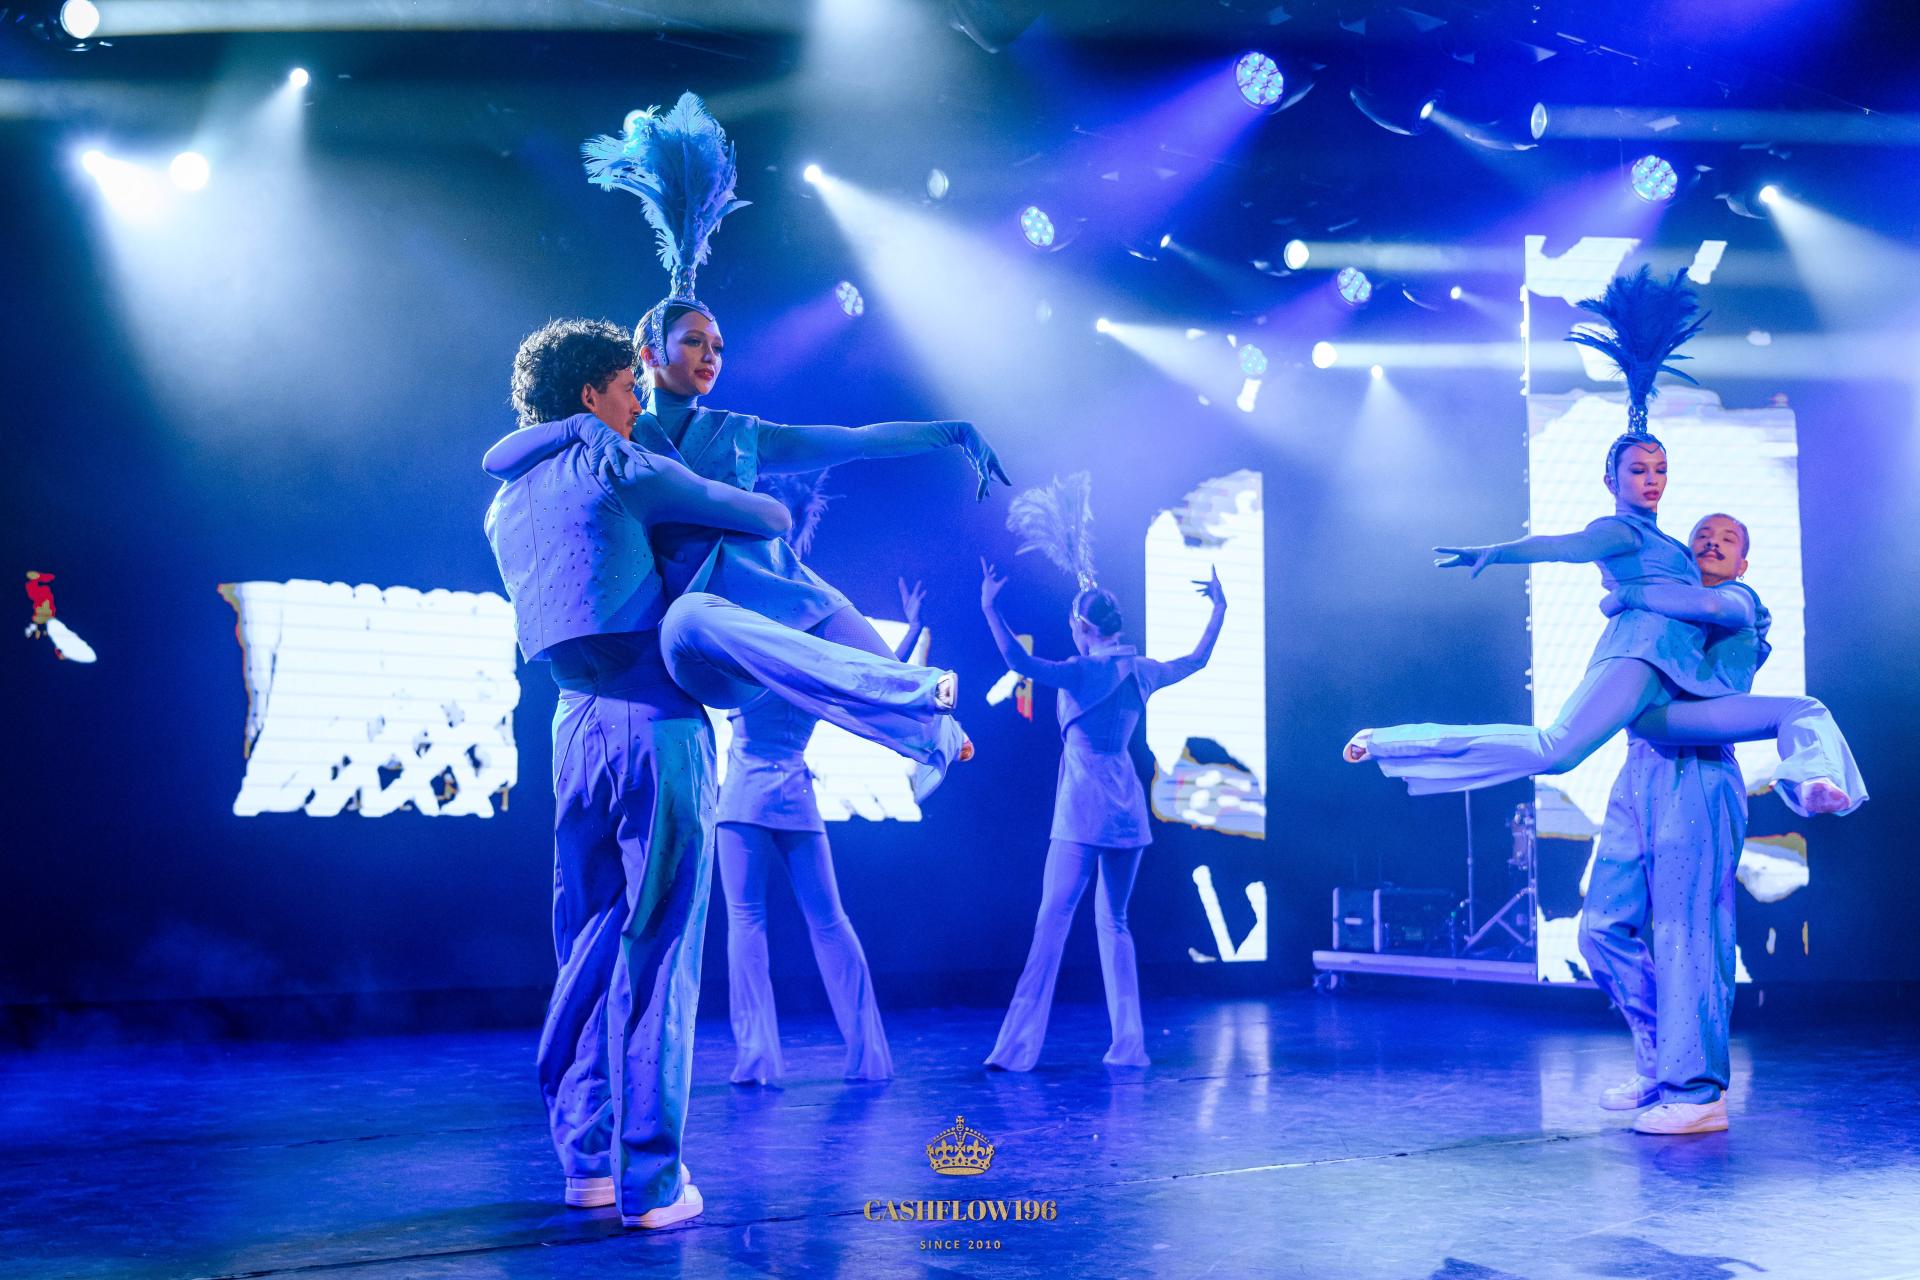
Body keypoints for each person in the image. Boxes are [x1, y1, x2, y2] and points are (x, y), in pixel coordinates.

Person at [485, 319, 973, 1228]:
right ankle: (651, 1184)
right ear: (591, 395)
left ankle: (585, 1164)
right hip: (651, 723)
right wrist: (700, 490)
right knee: (660, 952)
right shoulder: (622, 464)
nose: (635, 404)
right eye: (624, 389)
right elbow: (771, 519)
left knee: (584, 946)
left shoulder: (506, 500)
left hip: (568, 729)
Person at [1342, 431, 1855, 816]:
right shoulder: (1621, 530)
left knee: (1801, 709)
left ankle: (1812, 784)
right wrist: (1497, 553)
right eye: (1638, 470)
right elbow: (1564, 547)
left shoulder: (1676, 549)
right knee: (1555, 752)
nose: (1651, 480)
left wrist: (1634, 594)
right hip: (1639, 660)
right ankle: (1387, 741)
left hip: (1671, 698)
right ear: (1612, 481)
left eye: (1660, 470)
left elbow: (1712, 608)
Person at [1581, 512, 1866, 1136]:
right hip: (1639, 769)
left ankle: (1698, 1092)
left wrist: (1625, 593)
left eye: (1727, 538)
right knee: (1600, 929)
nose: (1711, 542)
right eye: (1701, 536)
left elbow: (1706, 616)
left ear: (1743, 563)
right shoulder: (1665, 608)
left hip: (1700, 771)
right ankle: (1658, 1063)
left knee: (1688, 933)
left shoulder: (1738, 601)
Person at [977, 505, 1227, 1069]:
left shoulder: (1081, 671)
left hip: (1082, 808)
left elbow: (1017, 659)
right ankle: (1129, 1046)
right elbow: (1198, 659)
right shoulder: (1142, 670)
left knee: (1052, 925)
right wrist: (1219, 608)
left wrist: (990, 608)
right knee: (1114, 924)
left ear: (1086, 629)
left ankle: (1016, 1049)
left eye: (1075, 626)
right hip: (1126, 808)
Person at [719, 471, 923, 1085]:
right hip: (792, 792)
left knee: (749, 922)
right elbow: (874, 677)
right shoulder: (813, 617)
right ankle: (868, 1054)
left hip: (748, 793)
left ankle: (759, 1058)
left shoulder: (747, 610)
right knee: (828, 922)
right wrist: (911, 631)